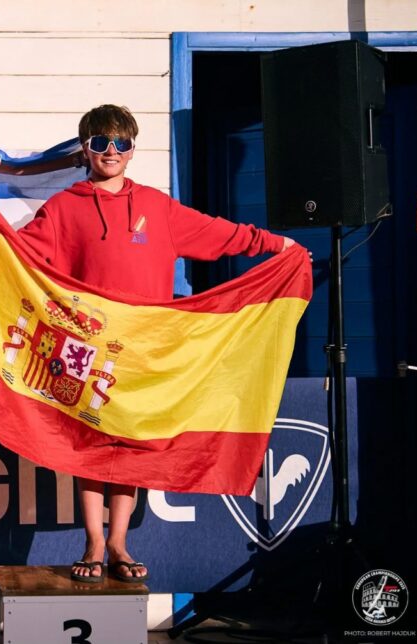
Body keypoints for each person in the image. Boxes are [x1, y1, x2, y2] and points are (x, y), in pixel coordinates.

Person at [16, 104, 296, 583]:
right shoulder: (63, 207)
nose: (111, 152)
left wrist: (279, 247)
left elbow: (222, 234)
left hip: (146, 347)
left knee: (132, 443)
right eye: (101, 142)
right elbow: (19, 251)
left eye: (121, 143)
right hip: (89, 348)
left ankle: (120, 541)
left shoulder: (156, 205)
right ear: (85, 147)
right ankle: (94, 541)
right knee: (89, 446)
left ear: (132, 149)